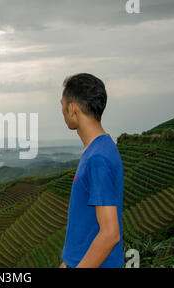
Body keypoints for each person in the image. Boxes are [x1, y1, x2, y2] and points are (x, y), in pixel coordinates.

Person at [58, 73, 124, 268]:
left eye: (62, 105)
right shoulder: (101, 148)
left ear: (72, 109)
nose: (61, 111)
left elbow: (110, 234)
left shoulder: (97, 158)